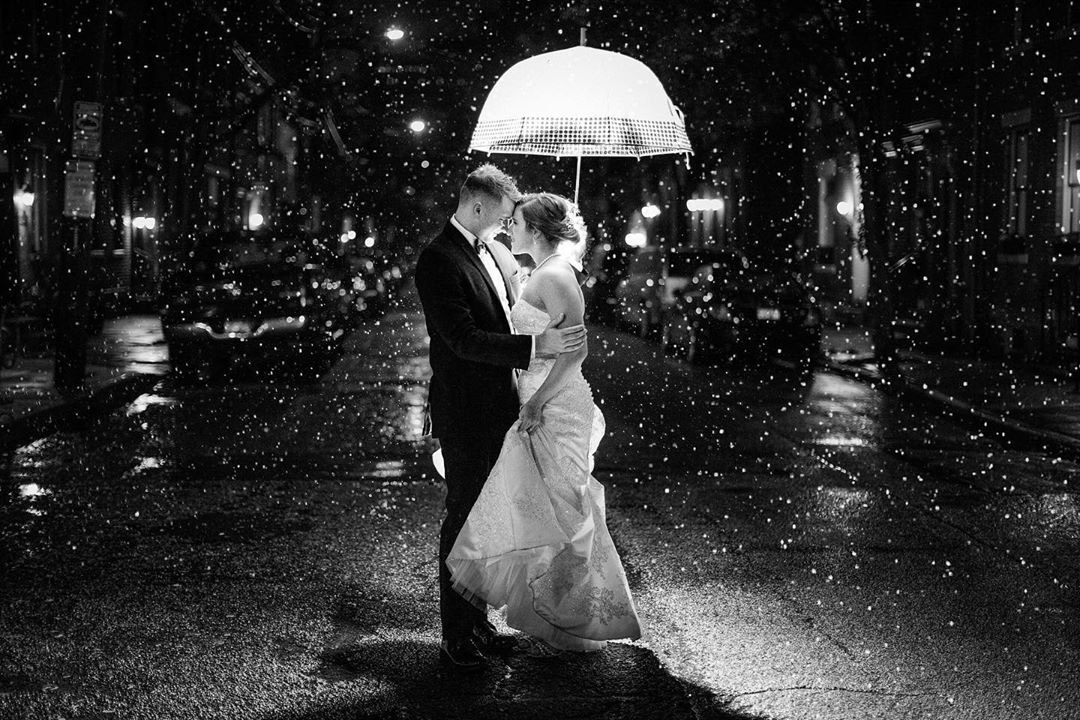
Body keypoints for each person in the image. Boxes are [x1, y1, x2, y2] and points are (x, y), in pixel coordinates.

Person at [447, 193, 642, 658]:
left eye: (515, 223)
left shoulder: (555, 276)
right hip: (538, 400)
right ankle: (558, 611)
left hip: (554, 406)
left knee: (564, 512)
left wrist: (536, 405)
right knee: (541, 509)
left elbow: (576, 353)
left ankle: (575, 616)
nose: (508, 229)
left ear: (534, 230)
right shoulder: (543, 272)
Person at [414, 165, 588, 671]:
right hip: (467, 411)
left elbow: (514, 305)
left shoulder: (489, 250)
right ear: (476, 207)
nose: (510, 221)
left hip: (501, 408)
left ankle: (480, 625)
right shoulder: (438, 259)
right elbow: (463, 340)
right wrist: (537, 345)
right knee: (465, 517)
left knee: (489, 519)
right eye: (504, 212)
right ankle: (456, 636)